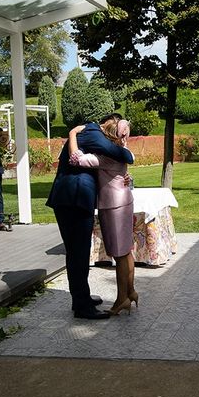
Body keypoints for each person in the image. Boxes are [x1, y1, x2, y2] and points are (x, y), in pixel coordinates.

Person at [46, 114, 134, 320]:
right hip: (73, 199)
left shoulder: (89, 133)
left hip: (76, 198)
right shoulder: (93, 132)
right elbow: (120, 154)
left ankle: (82, 297)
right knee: (78, 253)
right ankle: (81, 306)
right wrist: (71, 132)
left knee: (80, 252)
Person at [68, 119, 138, 316]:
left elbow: (75, 159)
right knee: (126, 251)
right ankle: (131, 291)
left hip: (113, 205)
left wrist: (73, 134)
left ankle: (121, 299)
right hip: (124, 200)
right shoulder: (124, 151)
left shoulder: (105, 157)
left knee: (119, 253)